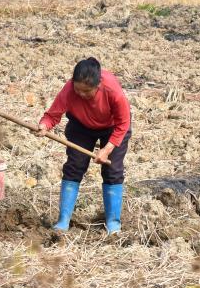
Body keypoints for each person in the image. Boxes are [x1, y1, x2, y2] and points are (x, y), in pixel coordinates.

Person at [36, 57, 131, 234]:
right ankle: (63, 221)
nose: (81, 95)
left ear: (98, 85)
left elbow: (123, 124)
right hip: (80, 126)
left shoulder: (112, 90)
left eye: (87, 91)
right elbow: (52, 115)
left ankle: (113, 223)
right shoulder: (69, 89)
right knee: (74, 166)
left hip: (113, 128)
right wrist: (44, 126)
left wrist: (107, 149)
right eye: (77, 90)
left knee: (112, 171)